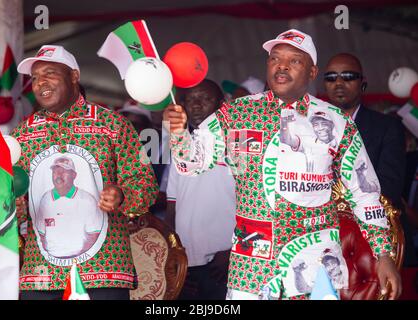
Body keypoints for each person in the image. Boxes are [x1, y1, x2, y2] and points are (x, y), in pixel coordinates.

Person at [164, 29, 401, 300]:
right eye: (275, 58)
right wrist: (179, 133)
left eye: (294, 60)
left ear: (312, 73)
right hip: (252, 268)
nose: (282, 66)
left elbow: (365, 194)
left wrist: (384, 256)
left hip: (316, 266)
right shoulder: (236, 114)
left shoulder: (337, 122)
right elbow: (191, 164)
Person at [12, 45, 158, 300]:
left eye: (49, 73)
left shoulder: (113, 125)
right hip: (41, 274)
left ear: (74, 76)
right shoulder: (21, 136)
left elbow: (145, 183)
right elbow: (11, 197)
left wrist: (122, 196)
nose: (39, 83)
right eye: (34, 78)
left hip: (105, 269)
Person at [323, 53, 416, 266]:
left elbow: (389, 187)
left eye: (348, 76)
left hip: (379, 242)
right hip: (329, 243)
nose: (339, 82)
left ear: (363, 84)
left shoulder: (387, 127)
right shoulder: (313, 127)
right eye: (331, 77)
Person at [165, 79, 236, 300]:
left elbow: (253, 202)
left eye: (205, 99)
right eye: (191, 100)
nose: (196, 105)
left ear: (222, 104)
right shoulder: (180, 145)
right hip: (186, 259)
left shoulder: (238, 143)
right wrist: (173, 252)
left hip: (225, 258)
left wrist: (233, 251)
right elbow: (172, 203)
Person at [37, 156, 103, 259]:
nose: (58, 175)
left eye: (64, 171)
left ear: (74, 175)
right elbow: (41, 233)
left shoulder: (87, 200)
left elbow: (94, 235)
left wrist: (77, 256)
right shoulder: (45, 199)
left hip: (80, 260)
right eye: (55, 172)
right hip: (51, 260)